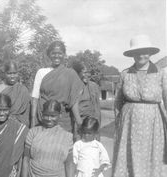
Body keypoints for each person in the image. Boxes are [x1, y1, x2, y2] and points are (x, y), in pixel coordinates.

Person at [113, 35, 167, 177]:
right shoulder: (125, 74)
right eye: (137, 52)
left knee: (151, 157)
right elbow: (118, 102)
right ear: (132, 55)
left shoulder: (161, 73)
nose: (141, 55)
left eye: (145, 52)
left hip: (153, 125)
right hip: (129, 125)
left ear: (150, 53)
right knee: (128, 158)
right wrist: (119, 124)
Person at [31, 41, 84, 131]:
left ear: (64, 54)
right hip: (44, 118)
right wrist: (32, 121)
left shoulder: (70, 74)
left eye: (60, 53)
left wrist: (79, 121)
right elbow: (35, 98)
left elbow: (74, 100)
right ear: (49, 54)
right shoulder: (41, 72)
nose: (56, 56)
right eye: (53, 53)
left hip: (63, 119)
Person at [22, 99, 74, 177]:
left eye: (53, 116)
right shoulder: (33, 132)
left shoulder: (67, 136)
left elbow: (69, 164)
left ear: (60, 115)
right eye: (46, 115)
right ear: (42, 114)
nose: (49, 119)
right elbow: (26, 159)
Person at [0, 61, 30, 126]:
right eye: (9, 73)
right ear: (4, 74)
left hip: (19, 126)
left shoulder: (23, 90)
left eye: (14, 73)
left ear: (18, 73)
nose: (12, 76)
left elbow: (27, 114)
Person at [71, 61, 101, 141]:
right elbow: (74, 106)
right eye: (84, 72)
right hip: (80, 123)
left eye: (88, 72)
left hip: (92, 122)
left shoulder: (93, 86)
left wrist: (97, 127)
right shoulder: (74, 87)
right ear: (77, 73)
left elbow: (97, 108)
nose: (87, 75)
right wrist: (80, 124)